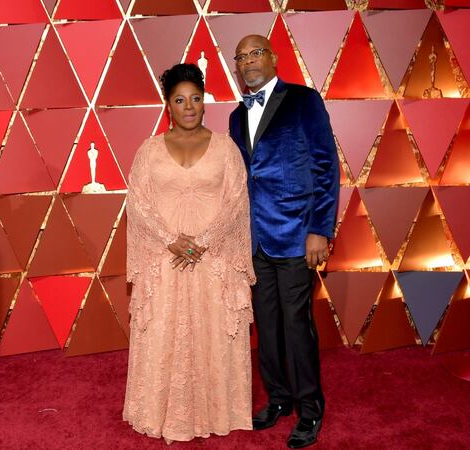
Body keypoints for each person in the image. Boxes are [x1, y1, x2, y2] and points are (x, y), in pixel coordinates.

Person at [123, 63, 255, 443]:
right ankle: (160, 411)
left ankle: (219, 410)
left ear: (204, 102)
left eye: (195, 99)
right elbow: (139, 204)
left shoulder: (226, 148)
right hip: (166, 261)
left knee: (213, 333)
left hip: (213, 263)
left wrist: (206, 239)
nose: (189, 107)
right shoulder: (148, 151)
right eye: (180, 100)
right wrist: (170, 239)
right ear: (168, 105)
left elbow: (236, 201)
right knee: (166, 332)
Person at [228, 35, 339, 449]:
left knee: (296, 326)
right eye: (241, 57)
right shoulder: (236, 117)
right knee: (267, 328)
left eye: (255, 53)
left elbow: (326, 166)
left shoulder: (304, 100)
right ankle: (279, 399)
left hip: (297, 235)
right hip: (254, 241)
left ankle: (310, 409)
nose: (248, 61)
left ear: (274, 59)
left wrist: (320, 229)